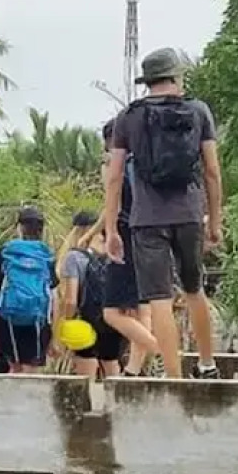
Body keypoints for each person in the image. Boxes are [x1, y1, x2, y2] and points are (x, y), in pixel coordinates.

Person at [106, 47, 223, 380]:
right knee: (193, 287)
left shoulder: (129, 117)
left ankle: (174, 378)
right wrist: (214, 220)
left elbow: (114, 176)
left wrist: (112, 228)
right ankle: (207, 364)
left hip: (146, 219)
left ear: (149, 81)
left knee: (159, 298)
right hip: (189, 213)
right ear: (175, 76)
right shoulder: (199, 111)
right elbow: (212, 171)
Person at [98, 119, 158, 376]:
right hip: (150, 236)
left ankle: (163, 350)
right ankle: (133, 370)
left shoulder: (115, 166)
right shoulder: (146, 163)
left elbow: (114, 206)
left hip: (124, 237)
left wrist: (106, 234)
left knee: (111, 313)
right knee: (141, 308)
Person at [0, 205, 57, 374]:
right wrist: (54, 336)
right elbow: (54, 299)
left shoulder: (3, 254)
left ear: (19, 228)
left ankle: (13, 399)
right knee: (31, 370)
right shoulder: (46, 257)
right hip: (38, 320)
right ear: (42, 230)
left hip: (7, 319)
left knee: (14, 368)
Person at [57, 211, 124, 379]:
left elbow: (71, 300)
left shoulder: (74, 257)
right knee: (111, 369)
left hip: (87, 321)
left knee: (86, 379)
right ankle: (116, 404)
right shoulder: (112, 254)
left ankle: (87, 405)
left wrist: (65, 322)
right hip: (113, 318)